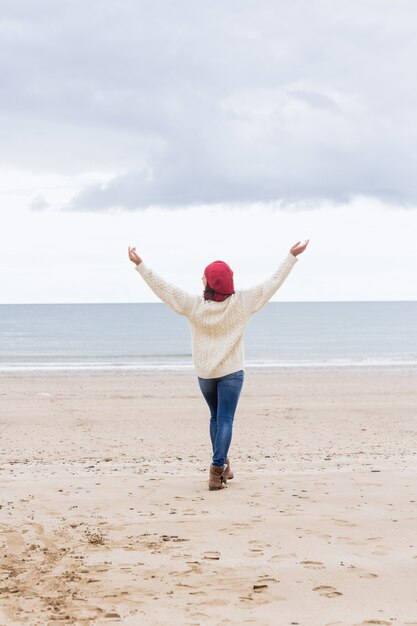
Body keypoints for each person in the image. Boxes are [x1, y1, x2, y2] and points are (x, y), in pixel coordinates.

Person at [128, 239, 309, 491]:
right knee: (224, 419)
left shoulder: (194, 306)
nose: (201, 279)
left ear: (210, 282)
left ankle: (222, 466)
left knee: (216, 417)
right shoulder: (243, 302)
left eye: (203, 277)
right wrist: (290, 256)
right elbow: (272, 284)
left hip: (206, 373)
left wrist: (141, 265)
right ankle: (216, 471)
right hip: (232, 372)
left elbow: (165, 290)